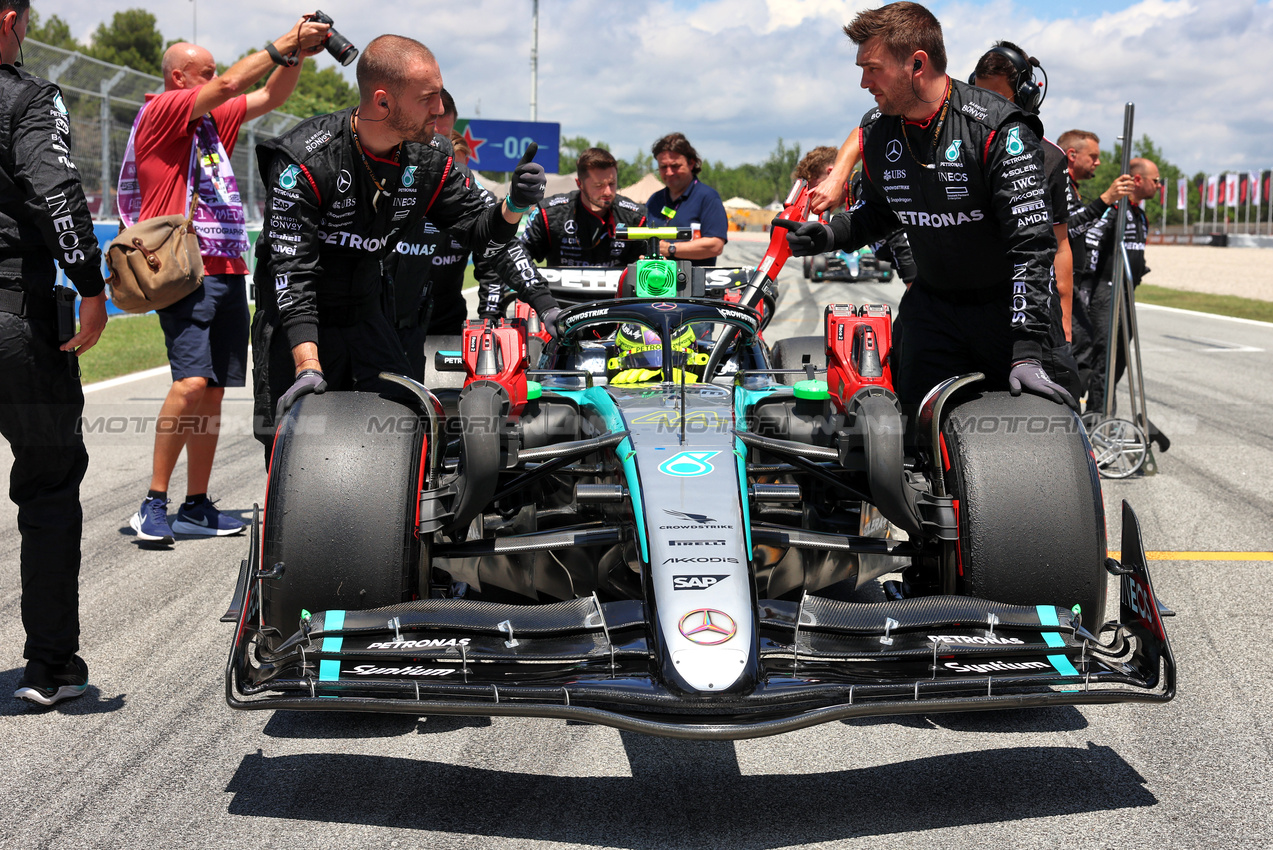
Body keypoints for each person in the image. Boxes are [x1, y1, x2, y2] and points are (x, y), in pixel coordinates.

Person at [251, 34, 548, 461]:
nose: (441, 109)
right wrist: (307, 365)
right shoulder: (303, 159)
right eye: (428, 98)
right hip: (298, 320)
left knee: (405, 423)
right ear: (383, 102)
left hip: (368, 309)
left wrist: (514, 205)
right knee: (294, 439)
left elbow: (480, 233)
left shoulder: (429, 158)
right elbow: (292, 274)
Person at [776, 2, 1071, 410]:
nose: (864, 82)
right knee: (907, 444)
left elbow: (1032, 247)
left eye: (873, 68)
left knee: (1045, 441)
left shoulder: (997, 129)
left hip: (1007, 313)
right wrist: (829, 234)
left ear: (917, 64)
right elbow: (879, 213)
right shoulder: (880, 131)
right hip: (932, 311)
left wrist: (1027, 348)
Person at [123, 16, 331, 544]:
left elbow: (268, 95)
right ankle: (152, 502)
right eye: (205, 72)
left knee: (213, 393)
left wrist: (300, 54)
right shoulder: (161, 111)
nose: (216, 77)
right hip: (180, 269)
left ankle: (196, 504)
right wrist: (284, 39)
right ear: (179, 78)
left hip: (226, 268)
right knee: (190, 382)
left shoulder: (213, 122)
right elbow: (235, 83)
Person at [0, 0, 108, 705]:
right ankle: (51, 666)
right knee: (48, 481)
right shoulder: (27, 96)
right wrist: (92, 285)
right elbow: (56, 190)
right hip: (14, 315)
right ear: (10, 18)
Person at [971, 40, 1080, 400]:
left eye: (1001, 99)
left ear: (1026, 98)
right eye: (983, 98)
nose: (992, 109)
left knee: (1060, 396)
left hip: (1028, 302)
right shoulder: (953, 149)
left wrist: (1063, 319)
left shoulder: (1049, 156)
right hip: (966, 302)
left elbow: (1059, 243)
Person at [386, 123, 503, 381]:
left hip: (447, 320)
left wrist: (489, 318)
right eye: (451, 172)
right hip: (398, 321)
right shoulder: (404, 198)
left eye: (462, 171)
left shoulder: (472, 207)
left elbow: (493, 263)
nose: (457, 181)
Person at [479, 146, 647, 319]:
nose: (608, 192)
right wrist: (490, 315)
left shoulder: (635, 217)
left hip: (619, 314)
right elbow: (511, 257)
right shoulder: (549, 213)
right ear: (579, 184)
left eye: (612, 184)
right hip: (559, 313)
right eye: (599, 185)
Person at [1082, 157, 1168, 450]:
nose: (1159, 185)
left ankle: (1105, 419)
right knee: (1103, 361)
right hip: (1106, 292)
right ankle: (1094, 428)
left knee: (1118, 363)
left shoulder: (1139, 214)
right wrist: (1088, 288)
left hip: (1128, 292)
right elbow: (1090, 240)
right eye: (1156, 180)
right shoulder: (1115, 210)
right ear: (1139, 180)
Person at [1057, 128, 1134, 394]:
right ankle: (1067, 416)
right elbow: (1068, 229)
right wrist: (1105, 200)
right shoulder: (1058, 183)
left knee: (1086, 345)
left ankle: (1079, 412)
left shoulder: (1073, 188)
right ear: (1072, 154)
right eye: (1094, 156)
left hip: (1076, 281)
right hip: (1058, 283)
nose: (1098, 162)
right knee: (1079, 346)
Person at [644, 133, 727, 266]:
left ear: (691, 163)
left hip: (694, 282)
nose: (669, 172)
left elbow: (715, 245)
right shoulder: (655, 200)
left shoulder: (708, 198)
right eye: (663, 167)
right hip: (656, 280)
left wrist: (670, 249)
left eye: (675, 166)